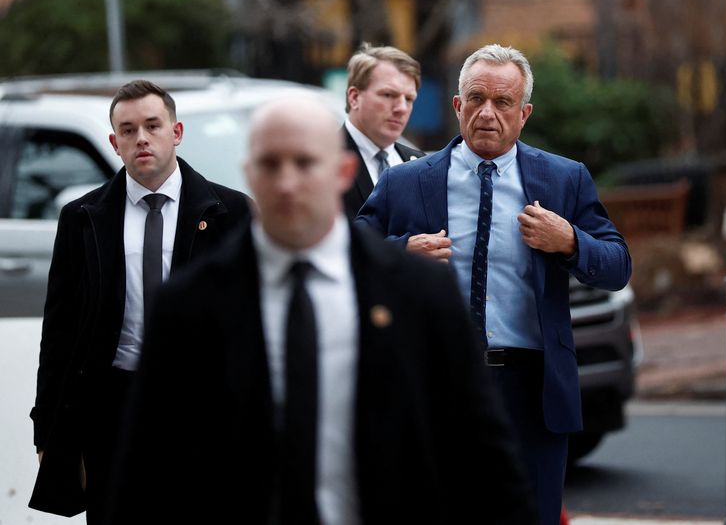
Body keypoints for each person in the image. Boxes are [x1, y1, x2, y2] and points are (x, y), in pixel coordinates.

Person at [106, 95, 536, 525]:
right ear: (250, 176)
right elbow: (146, 475)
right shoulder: (190, 306)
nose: (287, 183)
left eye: (306, 163)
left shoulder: (418, 293)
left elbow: (483, 456)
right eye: (271, 165)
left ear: (343, 172)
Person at [357, 44, 632, 525]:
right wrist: (401, 252)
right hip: (435, 381)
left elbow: (617, 266)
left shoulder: (565, 179)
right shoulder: (406, 182)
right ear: (457, 106)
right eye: (477, 98)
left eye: (503, 102)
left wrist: (569, 240)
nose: (488, 112)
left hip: (531, 387)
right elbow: (347, 250)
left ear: (524, 113)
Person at [28, 80, 251, 523]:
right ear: (114, 143)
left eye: (153, 125)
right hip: (114, 406)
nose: (141, 138)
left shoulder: (232, 212)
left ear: (177, 132)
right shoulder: (82, 218)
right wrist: (46, 428)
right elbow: (60, 327)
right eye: (128, 130)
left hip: (202, 407)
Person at [342, 42, 425, 220]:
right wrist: (402, 247)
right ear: (355, 97)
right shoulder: (321, 160)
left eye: (409, 99)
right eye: (388, 95)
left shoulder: (420, 164)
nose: (402, 108)